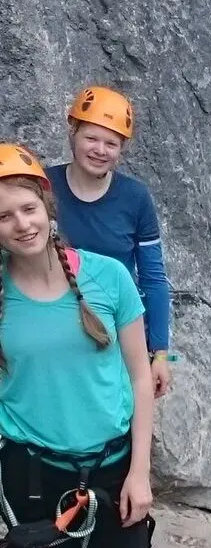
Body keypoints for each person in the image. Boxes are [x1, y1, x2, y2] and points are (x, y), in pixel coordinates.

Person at [0, 145, 174, 548]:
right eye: (5, 216)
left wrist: (140, 471)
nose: (20, 223)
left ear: (48, 206)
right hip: (33, 472)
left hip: (109, 468)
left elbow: (138, 377)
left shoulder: (105, 277)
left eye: (27, 207)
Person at [46, 87, 172, 400]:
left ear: (121, 149)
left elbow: (153, 278)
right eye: (91, 138)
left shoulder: (136, 198)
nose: (100, 150)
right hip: (56, 325)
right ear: (73, 132)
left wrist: (160, 353)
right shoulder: (44, 187)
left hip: (118, 330)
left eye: (111, 143)